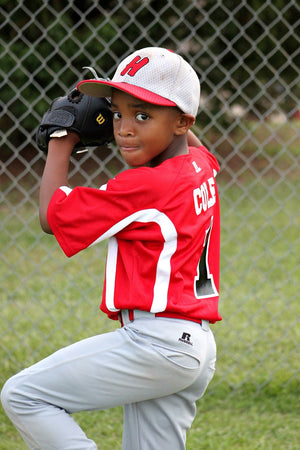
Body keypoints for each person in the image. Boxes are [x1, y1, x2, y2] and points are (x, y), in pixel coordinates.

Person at [1, 47, 222, 450]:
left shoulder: (144, 185)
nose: (123, 128)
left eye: (143, 115)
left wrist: (61, 139)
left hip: (156, 344)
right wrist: (145, 109)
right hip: (194, 346)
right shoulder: (200, 166)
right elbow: (195, 143)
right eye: (118, 112)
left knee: (24, 395)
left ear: (182, 121)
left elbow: (52, 217)